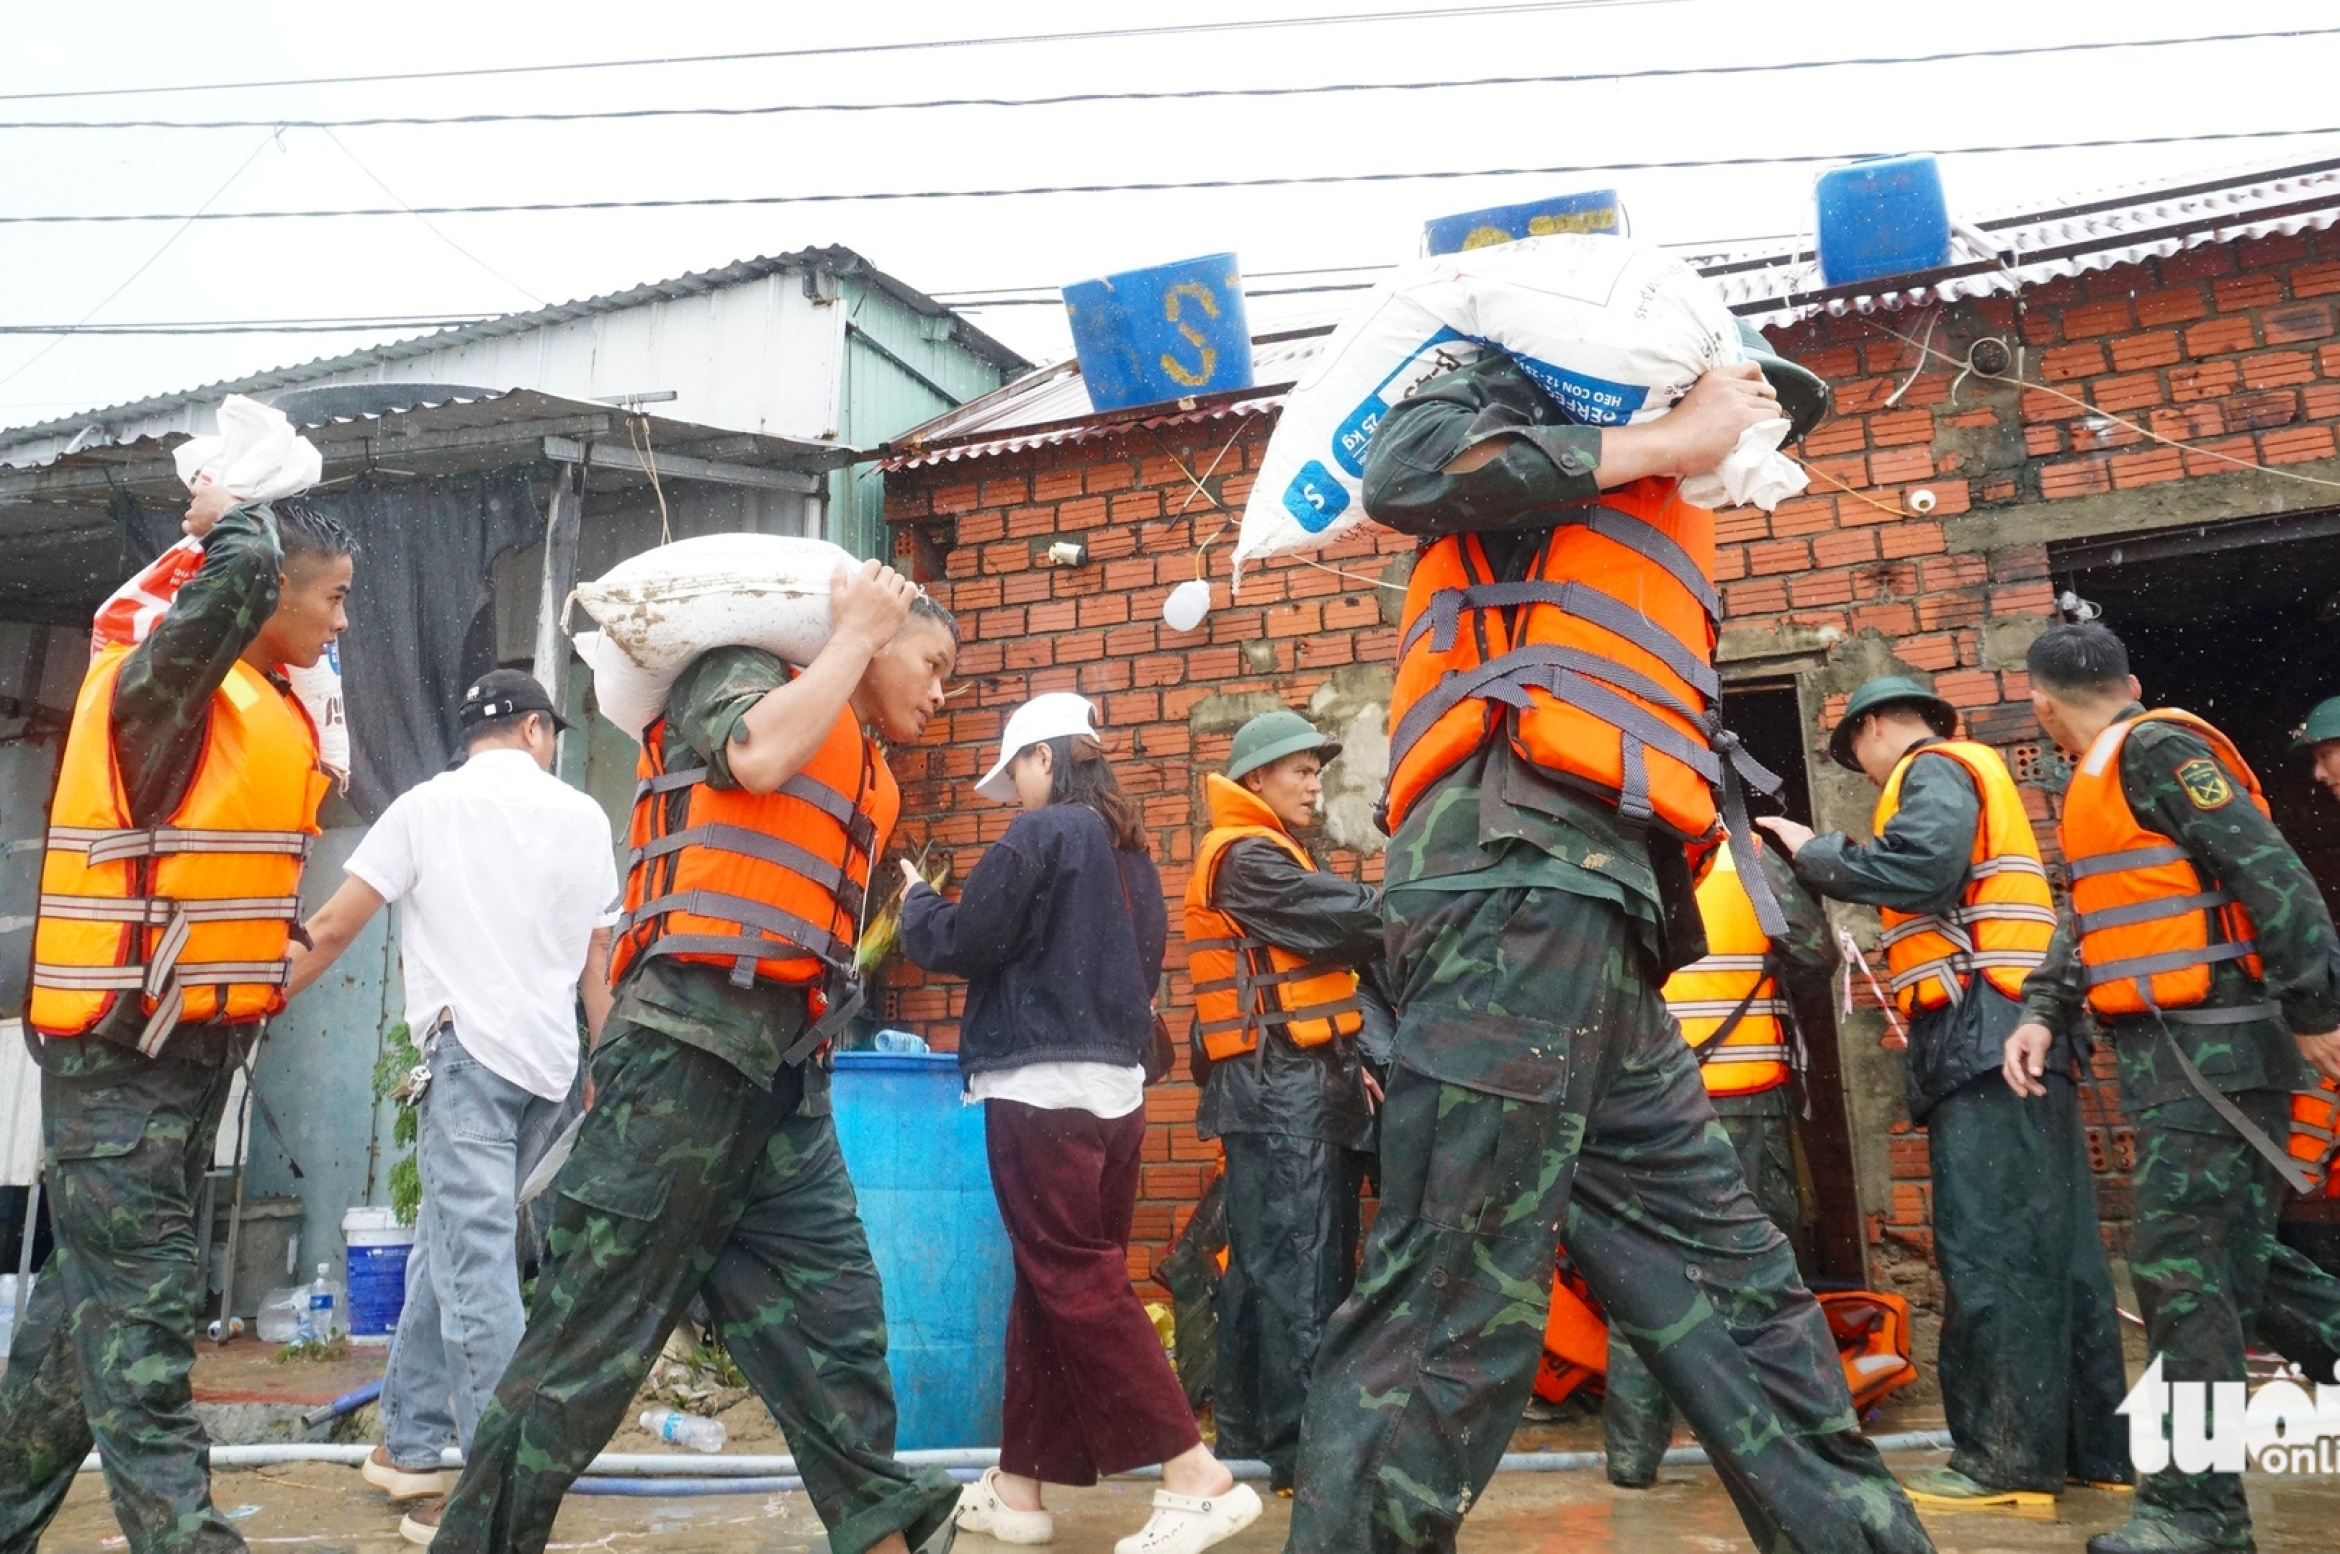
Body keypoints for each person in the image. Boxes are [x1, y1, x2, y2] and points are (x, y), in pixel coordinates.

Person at [1284, 342, 1933, 1554]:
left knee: (1734, 1289)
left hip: (1598, 918)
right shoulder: (1510, 414)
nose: (1744, 442)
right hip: (1508, 884)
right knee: (1452, 1293)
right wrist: (1663, 439)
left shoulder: (1648, 509)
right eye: (1736, 401)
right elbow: (1406, 473)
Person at [424, 560, 963, 1554]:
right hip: (682, 1054)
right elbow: (752, 757)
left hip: (782, 1082)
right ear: (879, 635)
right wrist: (853, 631)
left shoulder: (864, 767)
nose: (941, 692)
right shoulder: (742, 670)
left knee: (836, 1327)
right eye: (933, 662)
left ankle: (886, 1539)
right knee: (588, 1343)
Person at [0, 486, 352, 1554]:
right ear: (266, 595)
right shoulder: (162, 699)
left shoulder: (255, 704)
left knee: (83, 1327)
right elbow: (237, 574)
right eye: (332, 598)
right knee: (145, 1336)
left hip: (188, 1061)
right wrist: (236, 508)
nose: (341, 624)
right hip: (119, 1070)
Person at [1756, 675, 2131, 1507]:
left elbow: (1919, 866)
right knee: (2059, 1251)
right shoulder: (1978, 770)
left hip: (1986, 1034)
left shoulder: (1930, 770)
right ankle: (2089, 1454)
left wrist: (1813, 850)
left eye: (1854, 751)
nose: (1860, 770)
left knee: (1991, 1247)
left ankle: (2002, 1460)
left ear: (1880, 726)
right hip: (2017, 1028)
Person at [901, 692, 1261, 1554]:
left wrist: (916, 902)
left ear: (1043, 759)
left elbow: (964, 941)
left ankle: (1193, 1476)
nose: (1014, 792)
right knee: (1052, 1282)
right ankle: (1017, 1491)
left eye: (1016, 772)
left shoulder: (1043, 832)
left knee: (1073, 1277)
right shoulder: (1134, 860)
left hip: (1039, 1093)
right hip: (1118, 1099)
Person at [2007, 623, 2340, 1554]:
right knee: (2247, 1272)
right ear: (2130, 679)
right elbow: (2097, 923)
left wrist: (2316, 1008)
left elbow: (2274, 875)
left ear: (2040, 705)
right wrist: (2042, 1009)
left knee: (2180, 1280)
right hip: (2181, 1065)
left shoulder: (2155, 751)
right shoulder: (2107, 780)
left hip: (2217, 1059)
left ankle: (2196, 1515)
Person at [281, 669, 618, 1534]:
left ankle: (494, 1487)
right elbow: (597, 961)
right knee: (453, 1245)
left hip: (467, 1059)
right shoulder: (583, 818)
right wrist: (605, 1060)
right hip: (548, 1067)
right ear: (539, 731)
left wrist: (251, 994)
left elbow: (337, 924)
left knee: (475, 1267)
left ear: (469, 735)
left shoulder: (425, 808)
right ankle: (412, 1442)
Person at [1183, 708, 1386, 1493]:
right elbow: (1343, 919)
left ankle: (1251, 1446)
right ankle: (1304, 1462)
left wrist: (1349, 1057)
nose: (1313, 782)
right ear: (1255, 780)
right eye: (1299, 769)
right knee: (1302, 1277)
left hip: (1287, 1086)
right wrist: (1425, 903)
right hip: (1283, 1095)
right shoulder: (1247, 860)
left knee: (1262, 1276)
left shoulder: (1265, 855)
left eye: (1316, 769)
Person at [1603, 831, 1833, 1489]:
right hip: (1746, 1099)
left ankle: (1631, 1459)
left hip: (1647, 1106)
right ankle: (1783, 1453)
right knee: (1757, 1277)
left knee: (1642, 1277)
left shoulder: (1615, 850)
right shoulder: (1750, 859)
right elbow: (1812, 958)